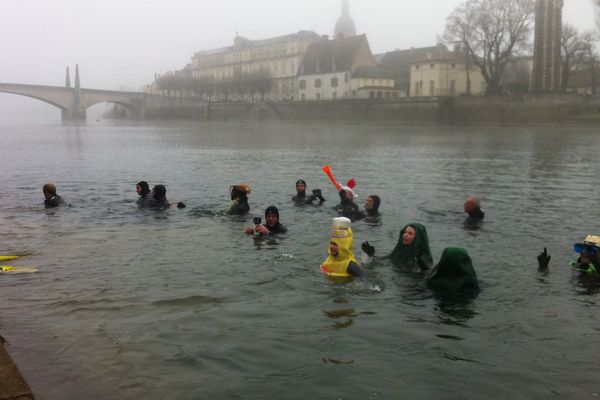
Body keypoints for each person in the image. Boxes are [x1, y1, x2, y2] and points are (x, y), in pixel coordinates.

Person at [362, 222, 433, 271]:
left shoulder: (423, 258)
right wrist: (370, 255)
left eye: (410, 233)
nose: (405, 235)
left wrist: (420, 261)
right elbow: (384, 261)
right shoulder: (398, 251)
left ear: (418, 238)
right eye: (405, 232)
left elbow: (427, 272)